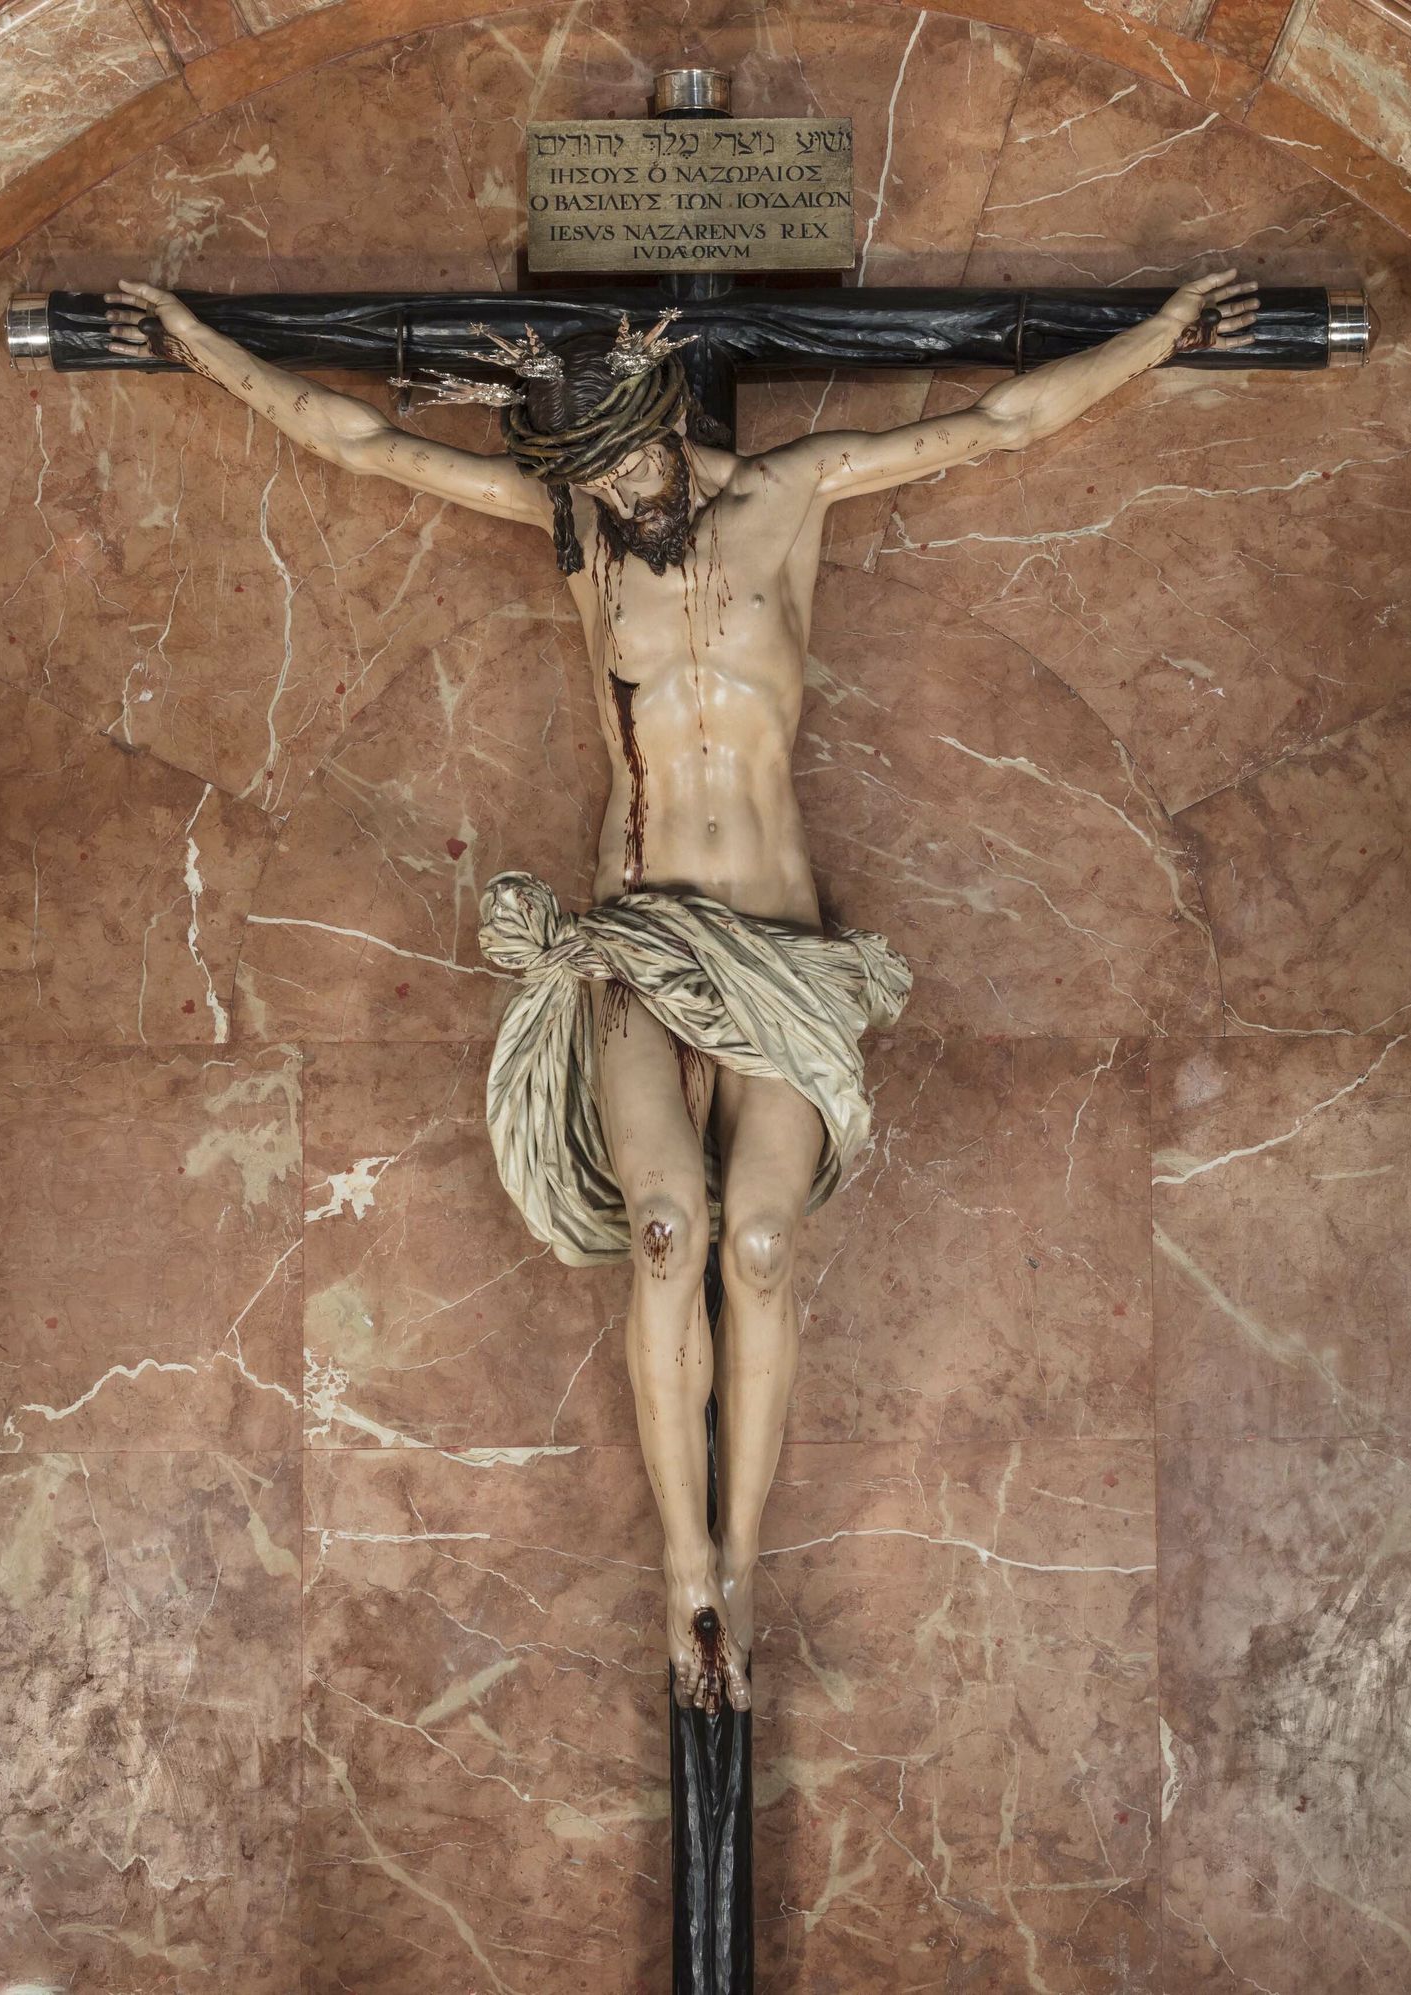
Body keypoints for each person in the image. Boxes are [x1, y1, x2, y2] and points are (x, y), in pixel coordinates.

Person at [106, 267, 1259, 1714]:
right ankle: (682, 1574)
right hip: (643, 946)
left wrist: (1153, 333)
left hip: (778, 955)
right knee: (670, 1229)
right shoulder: (577, 539)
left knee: (762, 1244)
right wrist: (206, 345)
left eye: (636, 458)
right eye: (593, 471)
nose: (626, 493)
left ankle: (748, 1567)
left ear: (669, 424)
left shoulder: (792, 494)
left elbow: (1002, 420)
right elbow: (361, 445)